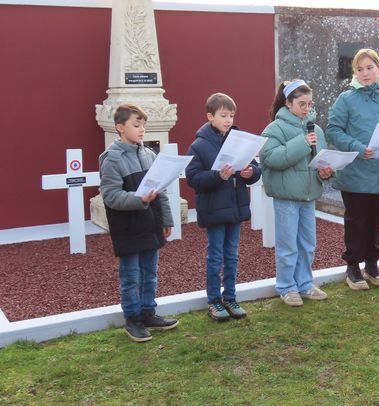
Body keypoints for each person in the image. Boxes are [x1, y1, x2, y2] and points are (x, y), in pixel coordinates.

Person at [326, 48, 379, 290]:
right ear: (354, 73)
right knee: (356, 220)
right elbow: (333, 130)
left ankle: (372, 265)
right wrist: (358, 148)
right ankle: (353, 267)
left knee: (375, 219)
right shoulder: (346, 99)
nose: (365, 73)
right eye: (359, 69)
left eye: (369, 68)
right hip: (355, 172)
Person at [99, 104, 179, 342]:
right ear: (120, 127)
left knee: (150, 273)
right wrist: (139, 198)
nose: (142, 129)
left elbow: (160, 191)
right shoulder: (112, 159)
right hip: (128, 228)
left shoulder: (149, 155)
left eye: (144, 124)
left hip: (150, 224)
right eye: (136, 125)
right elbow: (111, 196)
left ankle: (148, 313)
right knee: (131, 276)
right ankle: (133, 319)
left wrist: (166, 219)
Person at [186, 92, 262, 322]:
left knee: (232, 255)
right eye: (223, 115)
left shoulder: (239, 140)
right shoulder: (199, 146)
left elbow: (254, 168)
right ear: (210, 116)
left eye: (231, 115)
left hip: (235, 208)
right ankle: (214, 301)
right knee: (215, 256)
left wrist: (251, 172)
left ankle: (230, 297)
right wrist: (218, 176)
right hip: (214, 210)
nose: (228, 120)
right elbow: (193, 179)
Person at [260, 80, 335, 307]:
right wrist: (302, 143)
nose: (307, 108)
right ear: (288, 103)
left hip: (308, 197)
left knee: (308, 244)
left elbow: (320, 160)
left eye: (310, 104)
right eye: (302, 104)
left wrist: (326, 173)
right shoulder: (274, 129)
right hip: (286, 198)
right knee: (287, 246)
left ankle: (304, 284)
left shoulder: (315, 129)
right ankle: (286, 287)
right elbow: (271, 159)